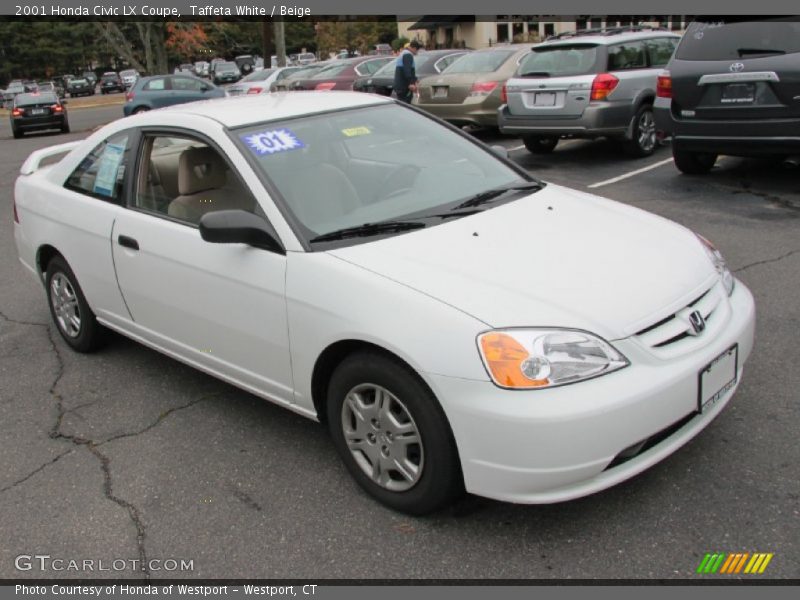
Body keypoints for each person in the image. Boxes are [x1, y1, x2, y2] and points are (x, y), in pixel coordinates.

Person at [393, 39, 422, 104]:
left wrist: (415, 79)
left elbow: (406, 70)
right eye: (417, 50)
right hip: (404, 87)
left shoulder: (403, 53)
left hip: (400, 85)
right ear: (414, 48)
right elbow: (407, 71)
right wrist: (411, 83)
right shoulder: (408, 55)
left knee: (402, 104)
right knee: (406, 104)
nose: (417, 53)